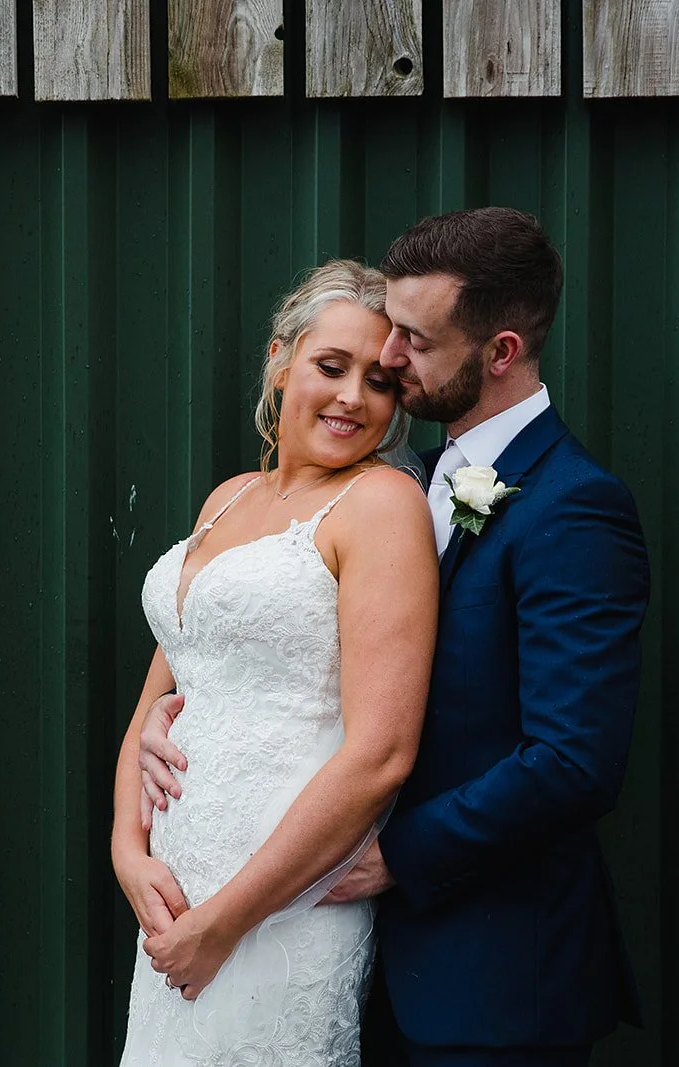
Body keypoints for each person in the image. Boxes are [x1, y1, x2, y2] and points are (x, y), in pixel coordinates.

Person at [139, 208, 651, 1066]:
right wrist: (180, 717)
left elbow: (574, 760)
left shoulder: (574, 506)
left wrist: (397, 856)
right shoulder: (413, 480)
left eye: (414, 339)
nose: (389, 357)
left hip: (490, 970)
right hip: (354, 947)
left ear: (501, 352)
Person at [111, 259, 438, 1064]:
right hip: (174, 903)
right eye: (332, 366)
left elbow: (381, 754)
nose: (354, 397)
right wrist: (127, 851)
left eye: (382, 381)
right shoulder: (227, 498)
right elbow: (164, 687)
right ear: (279, 360)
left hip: (277, 908)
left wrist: (225, 923)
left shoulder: (380, 504)